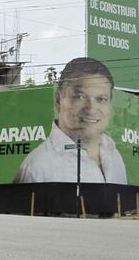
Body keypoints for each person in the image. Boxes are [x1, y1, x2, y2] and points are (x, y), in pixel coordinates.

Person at [14, 57, 127, 185]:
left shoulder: (113, 153)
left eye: (101, 99)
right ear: (58, 100)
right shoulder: (38, 167)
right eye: (80, 96)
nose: (91, 109)